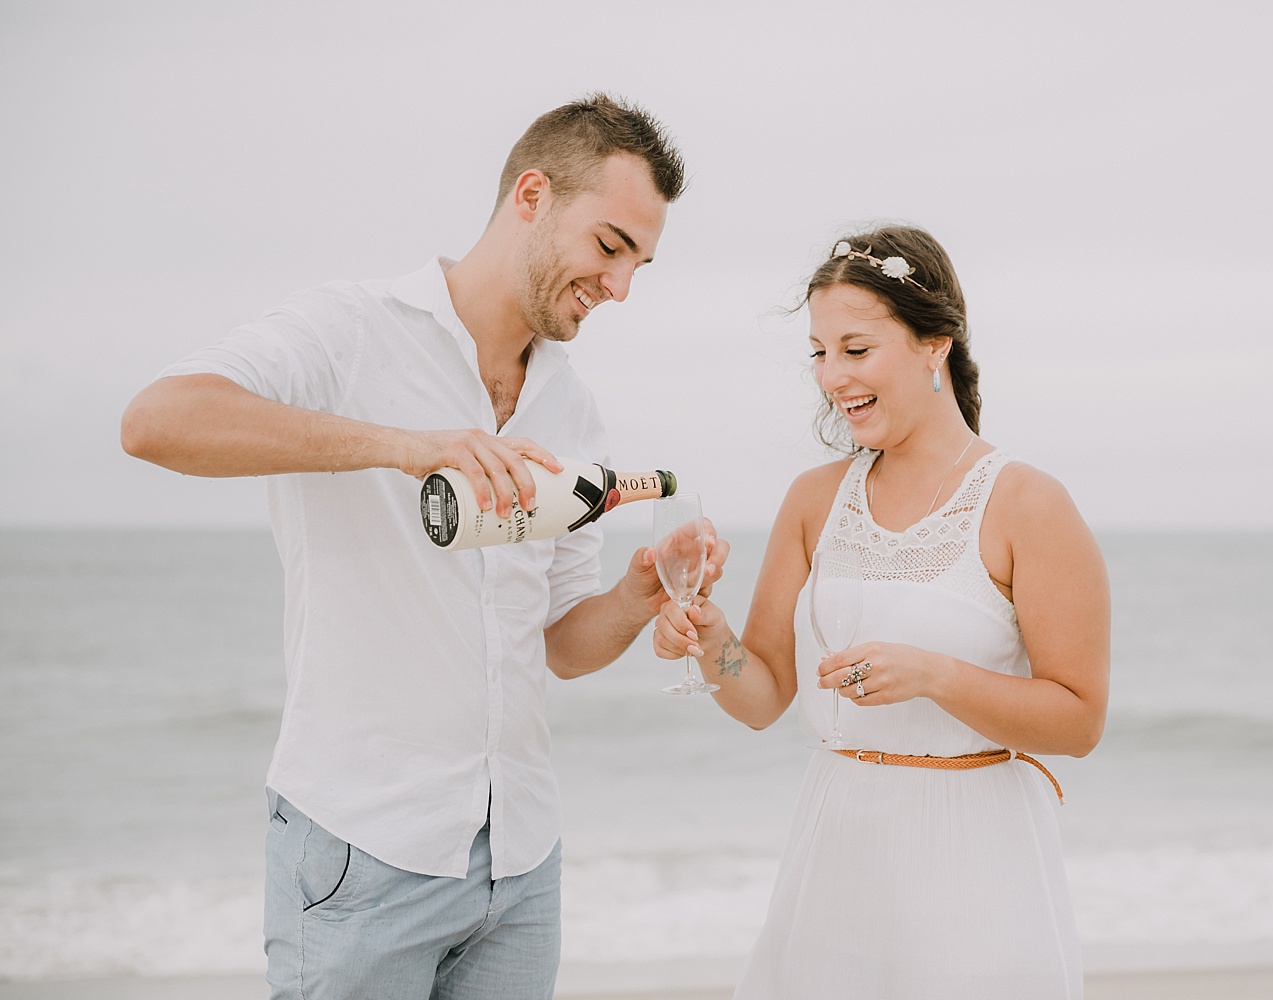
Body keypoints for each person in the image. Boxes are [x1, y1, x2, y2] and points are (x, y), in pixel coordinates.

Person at [120, 93, 725, 1000]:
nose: (622, 287)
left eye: (640, 262)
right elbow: (156, 423)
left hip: (521, 867)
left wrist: (641, 591)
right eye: (609, 247)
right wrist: (408, 446)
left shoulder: (574, 408)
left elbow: (559, 644)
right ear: (532, 195)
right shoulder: (349, 331)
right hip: (362, 856)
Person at [653, 225, 1109, 999]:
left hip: (975, 863)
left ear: (935, 344)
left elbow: (1078, 721)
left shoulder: (1029, 504)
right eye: (820, 352)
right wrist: (712, 641)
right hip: (835, 852)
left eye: (856, 349)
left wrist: (935, 675)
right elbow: (760, 695)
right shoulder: (813, 500)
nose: (833, 376)